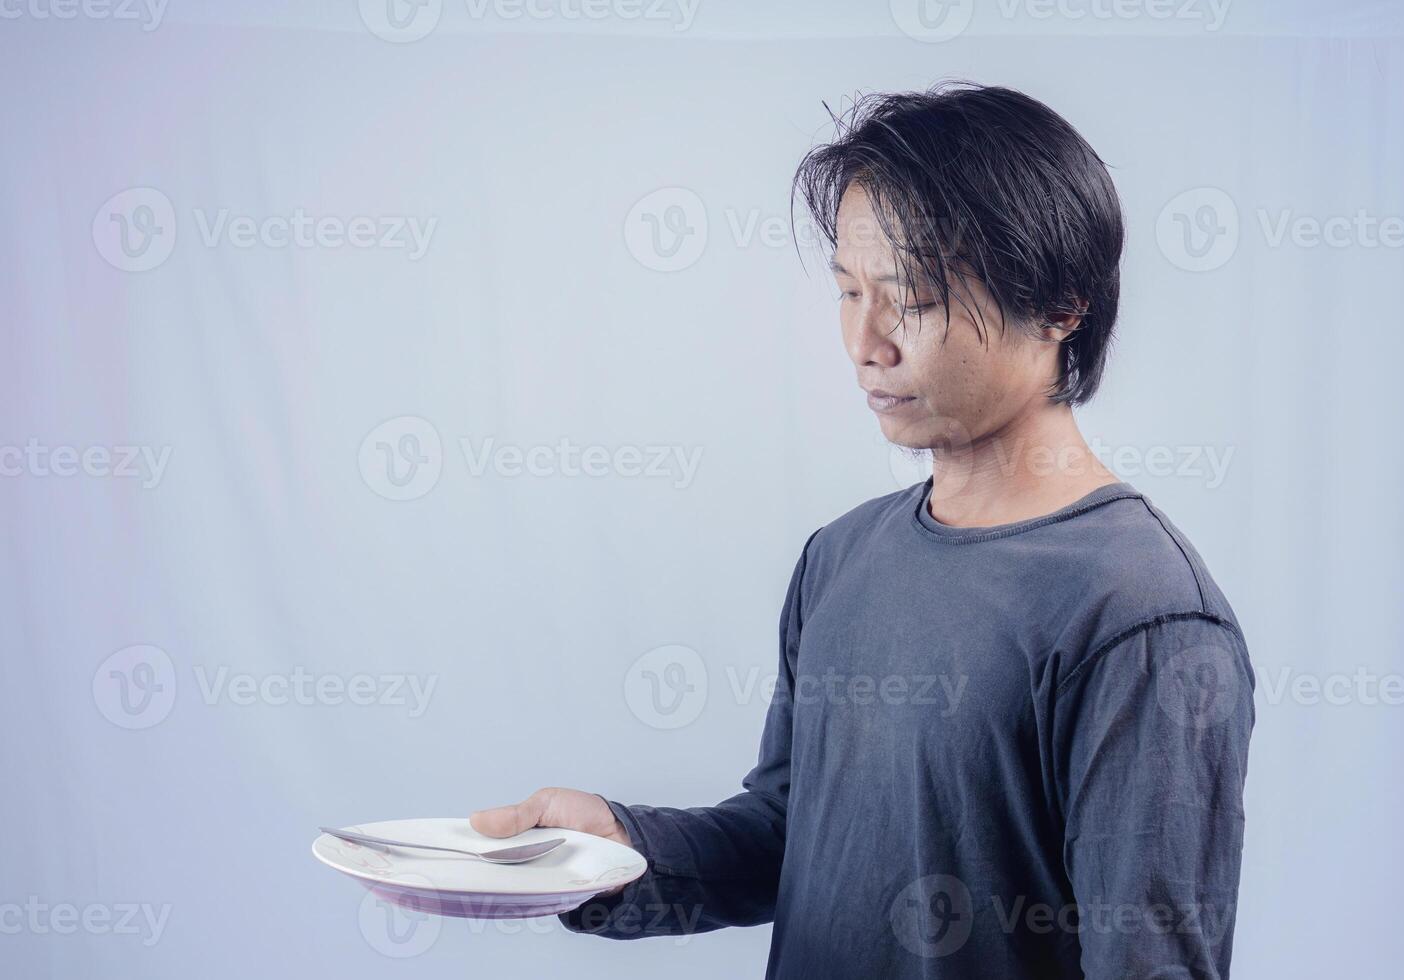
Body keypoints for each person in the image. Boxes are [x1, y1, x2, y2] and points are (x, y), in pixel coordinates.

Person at [470, 82, 1254, 979]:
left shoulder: (1140, 619)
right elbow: (788, 837)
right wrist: (614, 850)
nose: (865, 342)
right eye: (849, 291)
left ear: (1062, 305)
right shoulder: (840, 557)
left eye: (911, 299)